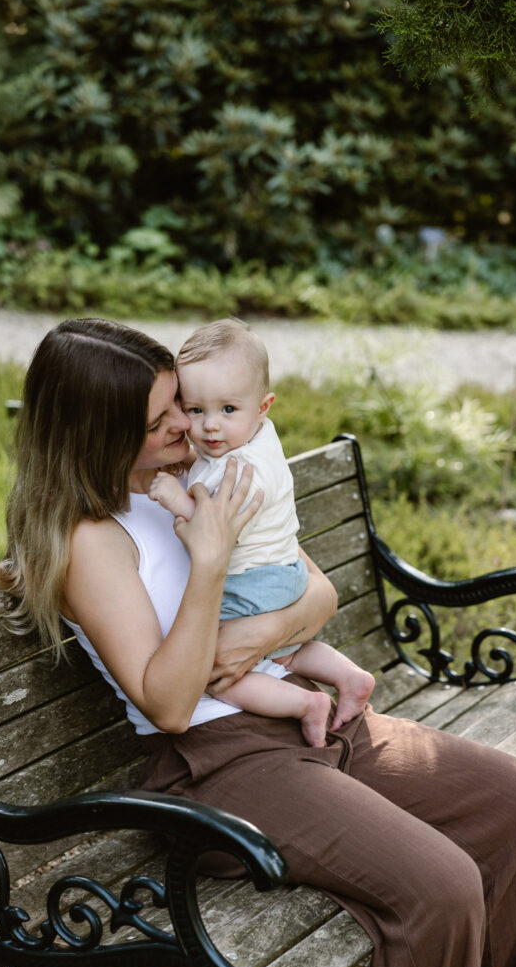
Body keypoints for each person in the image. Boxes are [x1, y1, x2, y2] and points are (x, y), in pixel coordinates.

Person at [0, 316, 516, 967]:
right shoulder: (91, 540)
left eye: (179, 399)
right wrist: (209, 560)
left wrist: (253, 635)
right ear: (98, 432)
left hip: (300, 715)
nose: (185, 422)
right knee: (439, 886)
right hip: (220, 766)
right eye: (160, 416)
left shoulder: (189, 469)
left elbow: (315, 589)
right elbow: (169, 704)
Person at [147, 317, 375, 747]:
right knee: (280, 650)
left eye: (227, 410)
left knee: (215, 672)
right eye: (196, 410)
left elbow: (210, 526)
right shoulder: (260, 439)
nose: (210, 427)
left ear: (263, 406)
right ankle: (349, 675)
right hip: (284, 571)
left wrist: (173, 497)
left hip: (251, 582)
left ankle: (306, 704)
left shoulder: (235, 471)